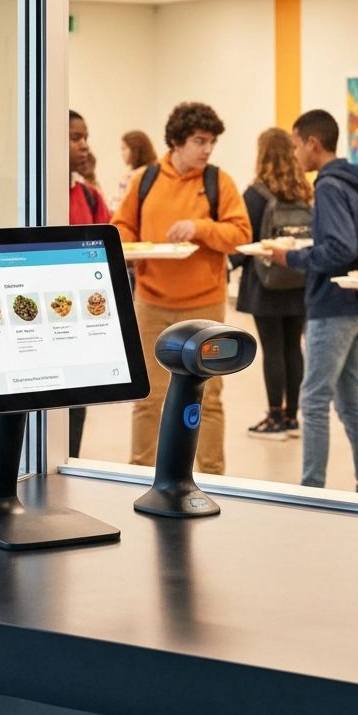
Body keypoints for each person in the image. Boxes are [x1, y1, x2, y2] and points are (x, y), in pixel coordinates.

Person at [112, 101, 250, 472]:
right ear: (177, 141)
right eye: (199, 141)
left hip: (206, 307)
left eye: (212, 142)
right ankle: (139, 471)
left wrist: (199, 228)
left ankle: (213, 476)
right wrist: (133, 248)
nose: (207, 149)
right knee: (148, 396)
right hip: (151, 303)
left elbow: (240, 234)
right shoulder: (145, 180)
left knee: (209, 397)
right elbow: (121, 227)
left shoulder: (218, 182)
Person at [267, 109, 358, 495]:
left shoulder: (329, 186)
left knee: (314, 401)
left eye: (296, 145)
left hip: (332, 307)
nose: (294, 154)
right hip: (356, 304)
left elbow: (340, 248)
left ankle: (311, 490)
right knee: (349, 400)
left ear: (313, 143)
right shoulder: (353, 180)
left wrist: (291, 257)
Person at [232, 128, 311, 440]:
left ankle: (274, 416)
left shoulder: (255, 194)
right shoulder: (303, 191)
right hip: (298, 279)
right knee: (294, 347)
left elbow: (244, 238)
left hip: (265, 284)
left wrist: (229, 264)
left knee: (273, 349)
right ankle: (292, 416)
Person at [67, 111, 111, 459]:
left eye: (85, 138)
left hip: (78, 321)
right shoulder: (26, 194)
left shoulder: (90, 196)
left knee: (74, 407)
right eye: (75, 138)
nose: (84, 146)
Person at [112, 130, 157, 211]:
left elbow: (119, 205)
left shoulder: (133, 176)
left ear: (135, 150)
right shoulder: (156, 171)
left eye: (124, 149)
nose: (122, 154)